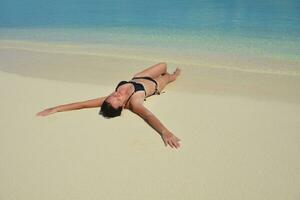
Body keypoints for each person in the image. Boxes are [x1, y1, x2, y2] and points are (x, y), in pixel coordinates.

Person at [37, 62, 181, 149]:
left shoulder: (108, 100)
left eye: (113, 96)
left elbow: (83, 104)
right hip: (155, 86)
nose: (115, 95)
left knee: (163, 65)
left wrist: (56, 108)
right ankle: (173, 75)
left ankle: (166, 72)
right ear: (122, 106)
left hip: (139, 77)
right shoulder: (135, 103)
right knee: (169, 76)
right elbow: (148, 116)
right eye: (117, 99)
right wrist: (164, 132)